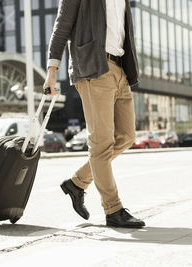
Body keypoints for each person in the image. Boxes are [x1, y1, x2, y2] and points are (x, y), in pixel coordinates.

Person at [43, 0, 145, 228]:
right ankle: (113, 209)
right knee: (101, 143)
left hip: (121, 70)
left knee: (126, 137)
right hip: (94, 68)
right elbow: (61, 28)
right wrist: (51, 73)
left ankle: (77, 183)